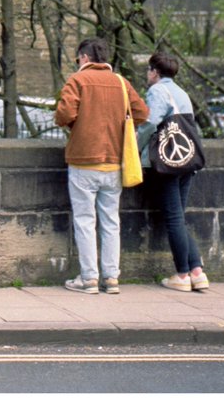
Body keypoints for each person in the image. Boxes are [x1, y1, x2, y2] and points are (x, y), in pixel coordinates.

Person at [54, 37, 148, 295]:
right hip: (114, 161)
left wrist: (80, 123)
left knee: (85, 221)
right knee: (110, 222)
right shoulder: (121, 82)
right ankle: (112, 278)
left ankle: (89, 278)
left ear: (83, 57)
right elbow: (141, 113)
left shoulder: (77, 80)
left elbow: (64, 115)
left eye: (78, 59)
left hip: (84, 160)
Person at [136, 52, 210, 292]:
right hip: (186, 160)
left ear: (155, 72)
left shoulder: (158, 91)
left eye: (149, 70)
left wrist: (134, 147)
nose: (147, 75)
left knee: (174, 217)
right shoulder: (181, 92)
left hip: (168, 163)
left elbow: (150, 123)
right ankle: (197, 271)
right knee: (179, 215)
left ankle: (182, 274)